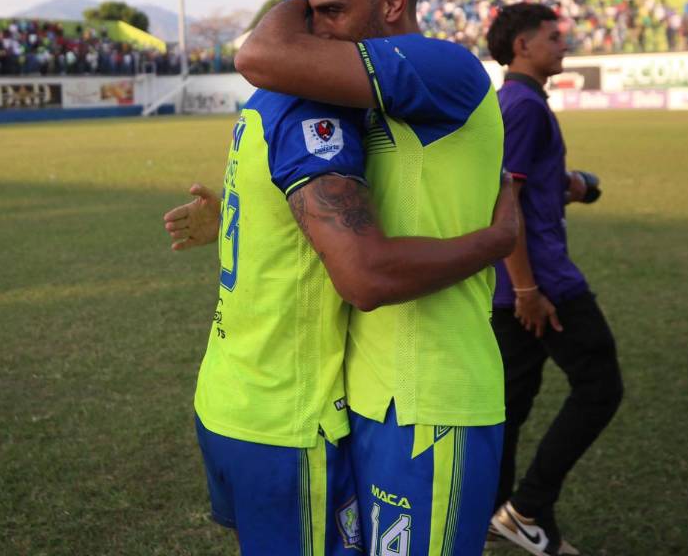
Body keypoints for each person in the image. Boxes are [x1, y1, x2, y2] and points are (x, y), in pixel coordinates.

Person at [163, 55, 517, 555]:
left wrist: (228, 223)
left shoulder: (262, 104)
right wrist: (495, 240)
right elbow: (365, 275)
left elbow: (280, 233)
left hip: (226, 399)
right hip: (286, 419)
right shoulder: (311, 116)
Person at [233, 0, 507, 555]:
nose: (319, 26)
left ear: (390, 2)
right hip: (365, 394)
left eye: (333, 9)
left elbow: (259, 57)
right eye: (314, 10)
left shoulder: (446, 66)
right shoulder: (368, 98)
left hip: (435, 395)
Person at [483, 2, 623, 556]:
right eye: (552, 36)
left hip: (511, 285)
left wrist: (574, 184)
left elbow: (524, 179)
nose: (563, 44)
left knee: (508, 406)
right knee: (600, 386)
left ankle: (486, 517)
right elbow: (504, 196)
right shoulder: (523, 106)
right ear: (522, 46)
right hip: (541, 282)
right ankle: (528, 507)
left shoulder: (517, 102)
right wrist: (527, 290)